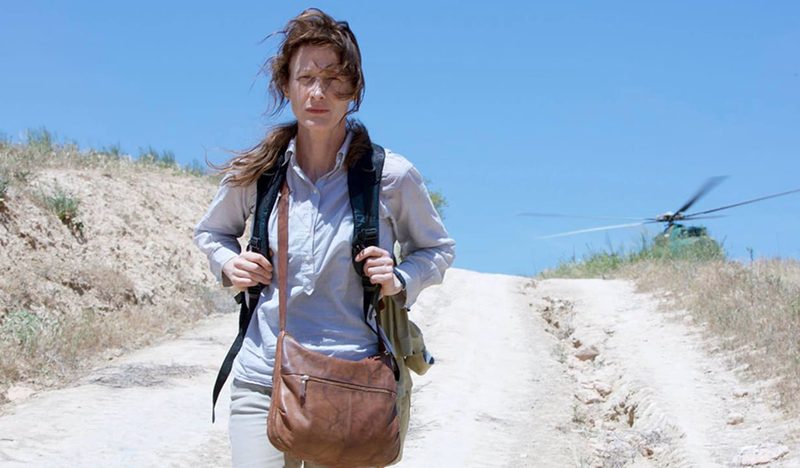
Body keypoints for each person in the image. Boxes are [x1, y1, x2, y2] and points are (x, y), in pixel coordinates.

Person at [194, 8, 455, 467]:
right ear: (286, 85)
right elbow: (212, 231)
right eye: (306, 78)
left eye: (334, 80)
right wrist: (228, 264)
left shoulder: (390, 176)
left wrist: (399, 278)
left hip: (353, 381)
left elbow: (436, 248)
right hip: (263, 377)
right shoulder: (260, 171)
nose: (318, 93)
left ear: (354, 90)